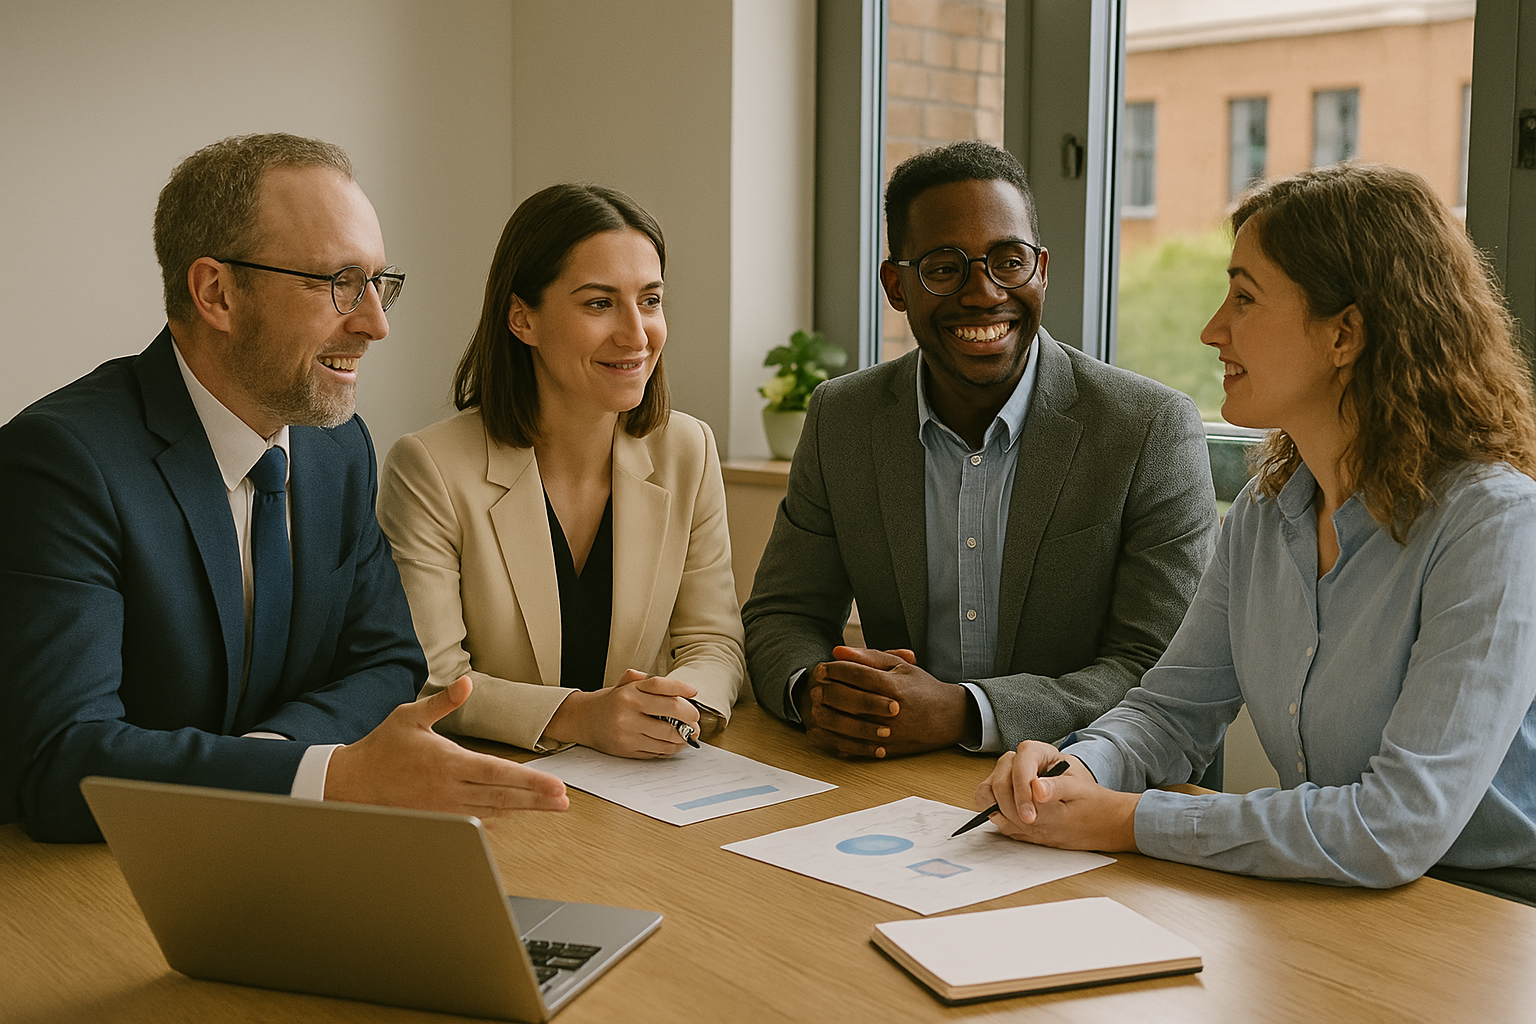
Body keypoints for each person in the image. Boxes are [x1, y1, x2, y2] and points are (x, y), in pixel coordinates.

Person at [978, 163, 1536, 904]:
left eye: (1245, 297)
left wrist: (1127, 820)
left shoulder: (1494, 524)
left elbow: (1395, 826)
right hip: (1327, 897)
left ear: (1346, 332)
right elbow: (1169, 712)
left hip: (1487, 917)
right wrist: (1078, 771)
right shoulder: (1265, 514)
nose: (1213, 330)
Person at [0, 134, 568, 844]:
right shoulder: (63, 461)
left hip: (284, 854)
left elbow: (387, 661)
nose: (375, 323)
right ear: (217, 292)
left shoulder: (338, 447)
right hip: (94, 887)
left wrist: (278, 766)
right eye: (338, 283)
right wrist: (327, 777)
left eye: (378, 283)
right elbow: (60, 762)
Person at [743, 140, 1217, 759]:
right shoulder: (844, 418)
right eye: (944, 267)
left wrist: (966, 712)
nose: (983, 293)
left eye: (1009, 261)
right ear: (895, 285)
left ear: (1040, 268)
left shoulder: (1149, 428)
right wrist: (819, 694)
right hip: (892, 782)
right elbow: (784, 613)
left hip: (1078, 785)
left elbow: (1158, 669)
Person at [377, 184, 744, 757]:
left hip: (648, 782)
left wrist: (680, 710)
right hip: (502, 780)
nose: (636, 333)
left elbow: (713, 639)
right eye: (599, 303)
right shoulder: (429, 468)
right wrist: (582, 718)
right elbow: (434, 679)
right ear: (522, 318)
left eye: (650, 300)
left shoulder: (687, 449)